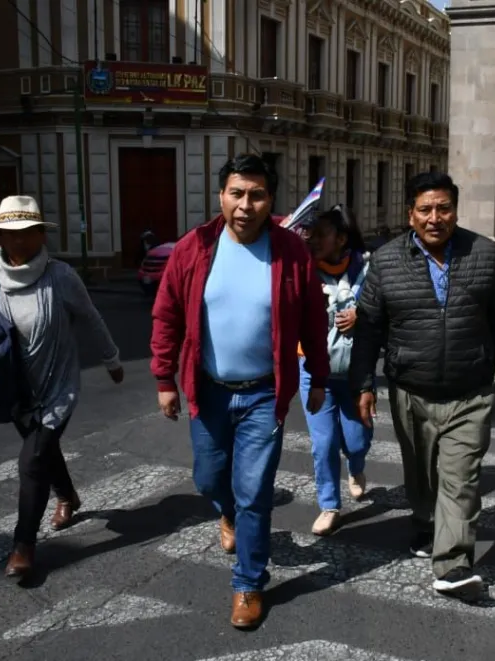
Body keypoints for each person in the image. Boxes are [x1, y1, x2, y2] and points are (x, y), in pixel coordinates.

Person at [150, 154, 330, 629]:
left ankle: (248, 583)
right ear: (221, 196)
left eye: (257, 195)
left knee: (254, 491)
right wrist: (165, 379)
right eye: (236, 194)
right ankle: (226, 513)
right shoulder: (194, 247)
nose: (245, 205)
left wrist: (319, 376)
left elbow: (313, 320)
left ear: (270, 201)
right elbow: (167, 314)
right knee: (210, 479)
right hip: (208, 390)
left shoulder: (291, 252)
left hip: (263, 396)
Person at [349, 171, 495, 598]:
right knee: (422, 477)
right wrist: (363, 385)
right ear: (410, 214)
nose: (435, 218)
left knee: (460, 480)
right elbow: (368, 329)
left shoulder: (483, 253)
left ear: (455, 211)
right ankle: (426, 523)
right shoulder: (386, 261)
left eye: (443, 208)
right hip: (411, 391)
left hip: (472, 390)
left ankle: (453, 565)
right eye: (425, 209)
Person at [0, 195, 123, 579]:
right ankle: (68, 495)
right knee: (43, 450)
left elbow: (91, 317)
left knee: (31, 460)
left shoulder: (60, 277)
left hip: (57, 387)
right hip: (11, 387)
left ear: (40, 234)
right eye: (11, 233)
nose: (19, 240)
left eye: (28, 232)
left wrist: (112, 359)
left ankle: (23, 546)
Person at [298, 205, 373, 536]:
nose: (313, 240)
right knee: (324, 442)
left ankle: (356, 466)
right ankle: (329, 505)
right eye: (310, 235)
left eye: (321, 234)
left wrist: (361, 314)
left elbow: (385, 307)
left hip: (355, 374)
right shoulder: (303, 270)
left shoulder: (366, 269)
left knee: (357, 442)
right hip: (314, 372)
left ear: (341, 239)